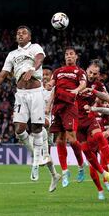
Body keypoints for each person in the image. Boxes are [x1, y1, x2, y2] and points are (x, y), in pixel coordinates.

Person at [0, 25, 60, 191]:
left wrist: (32, 69)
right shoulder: (12, 55)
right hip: (21, 94)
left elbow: (39, 59)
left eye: (23, 33)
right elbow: (3, 75)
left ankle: (36, 162)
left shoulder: (35, 47)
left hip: (36, 92)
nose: (20, 35)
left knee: (36, 128)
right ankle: (35, 156)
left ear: (29, 36)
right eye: (18, 33)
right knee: (19, 129)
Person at [76, 60, 109, 198]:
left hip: (89, 119)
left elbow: (108, 98)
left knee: (99, 136)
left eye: (95, 73)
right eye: (90, 72)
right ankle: (102, 182)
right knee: (87, 153)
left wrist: (92, 90)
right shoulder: (77, 79)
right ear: (86, 70)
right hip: (77, 122)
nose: (92, 75)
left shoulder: (98, 85)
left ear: (98, 75)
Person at [46, 47, 87, 187]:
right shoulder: (58, 71)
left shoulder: (79, 71)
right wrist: (48, 87)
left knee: (71, 138)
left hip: (70, 106)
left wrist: (76, 90)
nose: (69, 56)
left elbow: (83, 83)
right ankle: (65, 171)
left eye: (71, 54)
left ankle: (81, 166)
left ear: (76, 57)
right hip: (57, 107)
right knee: (59, 140)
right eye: (67, 54)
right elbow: (53, 86)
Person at [30, 65, 62, 192]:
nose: (44, 77)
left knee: (41, 127)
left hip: (51, 120)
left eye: (47, 74)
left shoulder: (55, 90)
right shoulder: (37, 90)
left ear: (52, 76)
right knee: (46, 155)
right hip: (40, 122)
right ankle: (54, 175)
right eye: (42, 74)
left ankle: (39, 159)